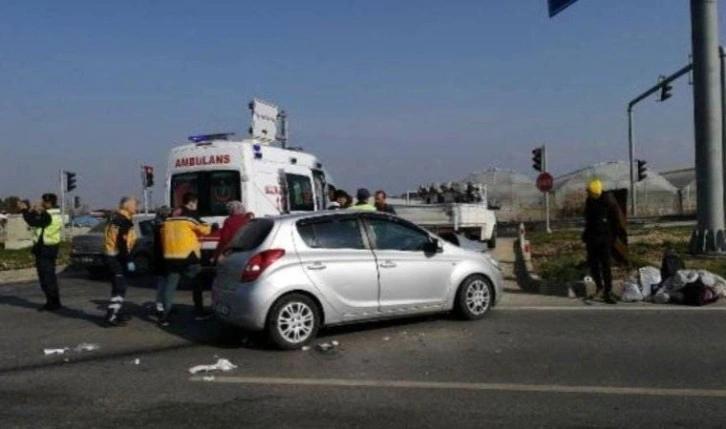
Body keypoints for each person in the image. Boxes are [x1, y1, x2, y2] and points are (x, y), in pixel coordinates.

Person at [158, 192, 212, 325]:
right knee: (197, 284)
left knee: (170, 288)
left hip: (171, 257)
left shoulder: (168, 220)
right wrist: (212, 226)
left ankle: (165, 316)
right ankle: (199, 312)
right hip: (188, 256)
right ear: (192, 202)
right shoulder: (190, 218)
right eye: (196, 203)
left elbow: (162, 235)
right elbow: (205, 230)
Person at [18, 194, 63, 311]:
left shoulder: (48, 215)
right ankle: (54, 302)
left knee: (46, 277)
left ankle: (52, 303)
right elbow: (35, 219)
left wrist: (24, 210)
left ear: (48, 203)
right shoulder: (54, 213)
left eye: (42, 201)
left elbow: (32, 222)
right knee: (49, 276)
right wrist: (30, 210)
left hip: (45, 249)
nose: (40, 203)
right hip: (51, 247)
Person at [582, 179, 619, 304]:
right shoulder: (590, 202)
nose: (589, 195)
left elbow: (616, 222)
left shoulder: (608, 202)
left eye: (591, 192)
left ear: (596, 192)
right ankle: (599, 287)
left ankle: (608, 290)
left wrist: (613, 238)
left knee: (605, 265)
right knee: (594, 265)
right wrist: (586, 234)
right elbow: (588, 220)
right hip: (592, 238)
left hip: (605, 238)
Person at [103, 196, 139, 326]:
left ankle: (115, 313)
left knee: (118, 287)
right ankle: (111, 316)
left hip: (111, 256)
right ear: (127, 206)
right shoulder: (123, 221)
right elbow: (122, 242)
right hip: (116, 258)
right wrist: (129, 259)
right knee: (120, 287)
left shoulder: (114, 217)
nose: (137, 207)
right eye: (135, 205)